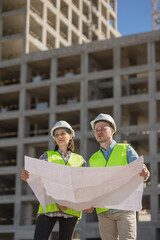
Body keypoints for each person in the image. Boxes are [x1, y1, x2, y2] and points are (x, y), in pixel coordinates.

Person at [86, 113, 150, 240]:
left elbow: (140, 169)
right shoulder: (93, 159)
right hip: (103, 212)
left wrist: (145, 172)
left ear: (112, 130)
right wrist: (89, 202)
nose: (99, 132)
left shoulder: (125, 149)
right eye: (96, 130)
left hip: (125, 207)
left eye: (103, 129)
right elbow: (91, 185)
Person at [21, 121, 86, 240]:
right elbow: (37, 177)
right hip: (50, 206)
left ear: (70, 135)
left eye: (62, 133)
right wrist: (27, 176)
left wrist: (69, 203)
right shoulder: (47, 156)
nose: (59, 137)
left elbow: (82, 185)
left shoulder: (80, 160)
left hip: (70, 208)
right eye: (56, 135)